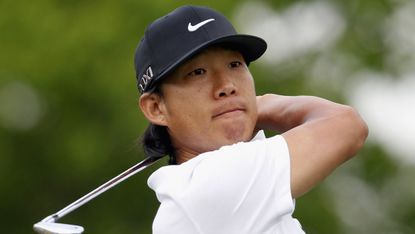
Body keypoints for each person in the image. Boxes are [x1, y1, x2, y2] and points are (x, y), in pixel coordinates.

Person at [134, 5, 368, 234]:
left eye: (235, 64)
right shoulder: (211, 182)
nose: (226, 86)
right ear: (156, 108)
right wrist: (262, 104)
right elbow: (346, 125)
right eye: (197, 72)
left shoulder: (186, 195)